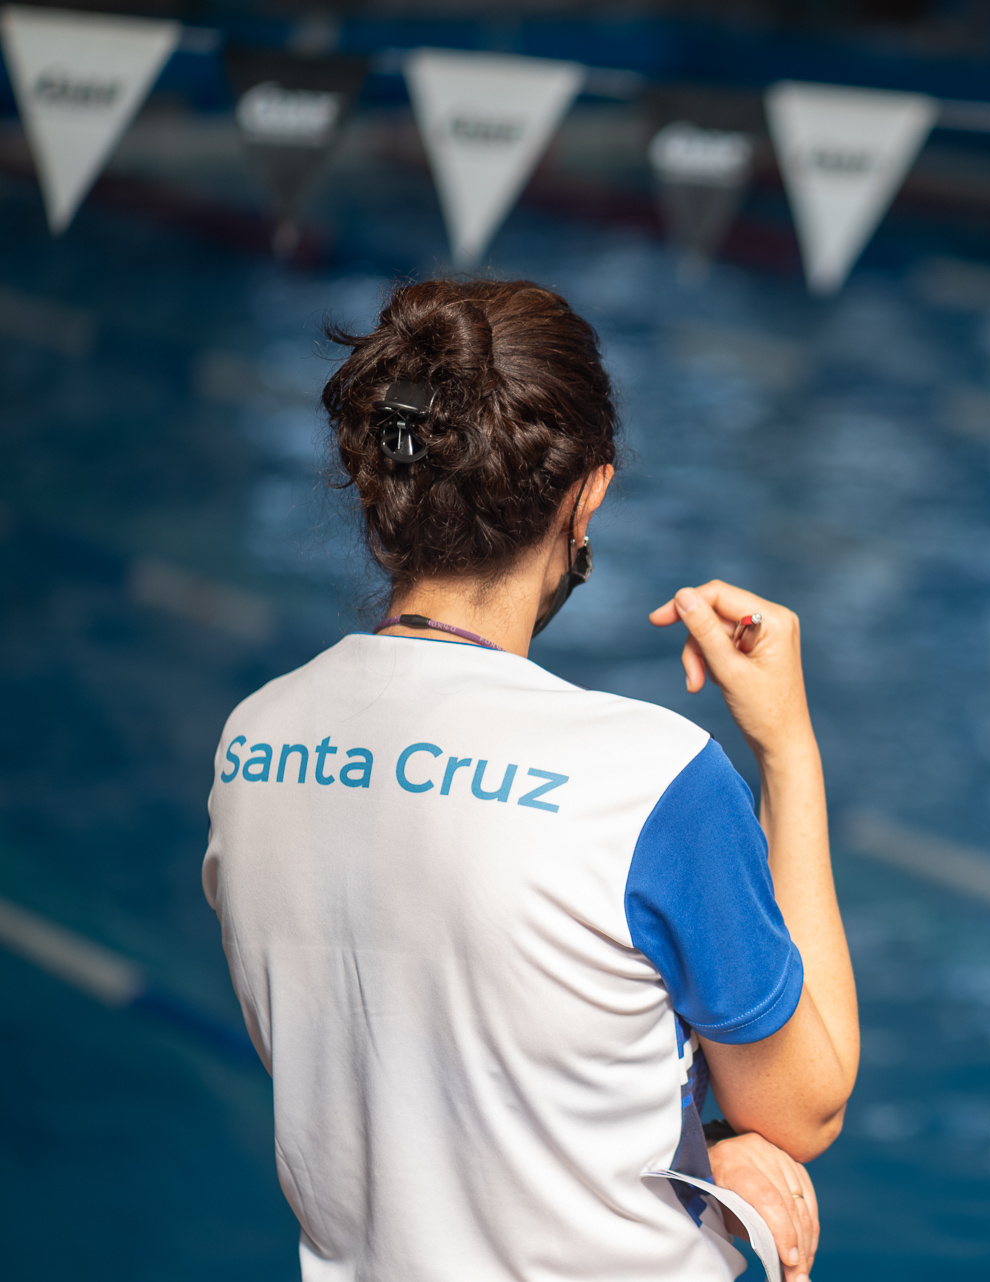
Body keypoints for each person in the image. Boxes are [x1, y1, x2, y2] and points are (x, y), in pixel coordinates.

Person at [202, 279, 857, 1282]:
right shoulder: (647, 776)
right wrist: (789, 753)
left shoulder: (253, 742)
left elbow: (394, 1074)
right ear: (586, 495)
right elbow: (803, 1106)